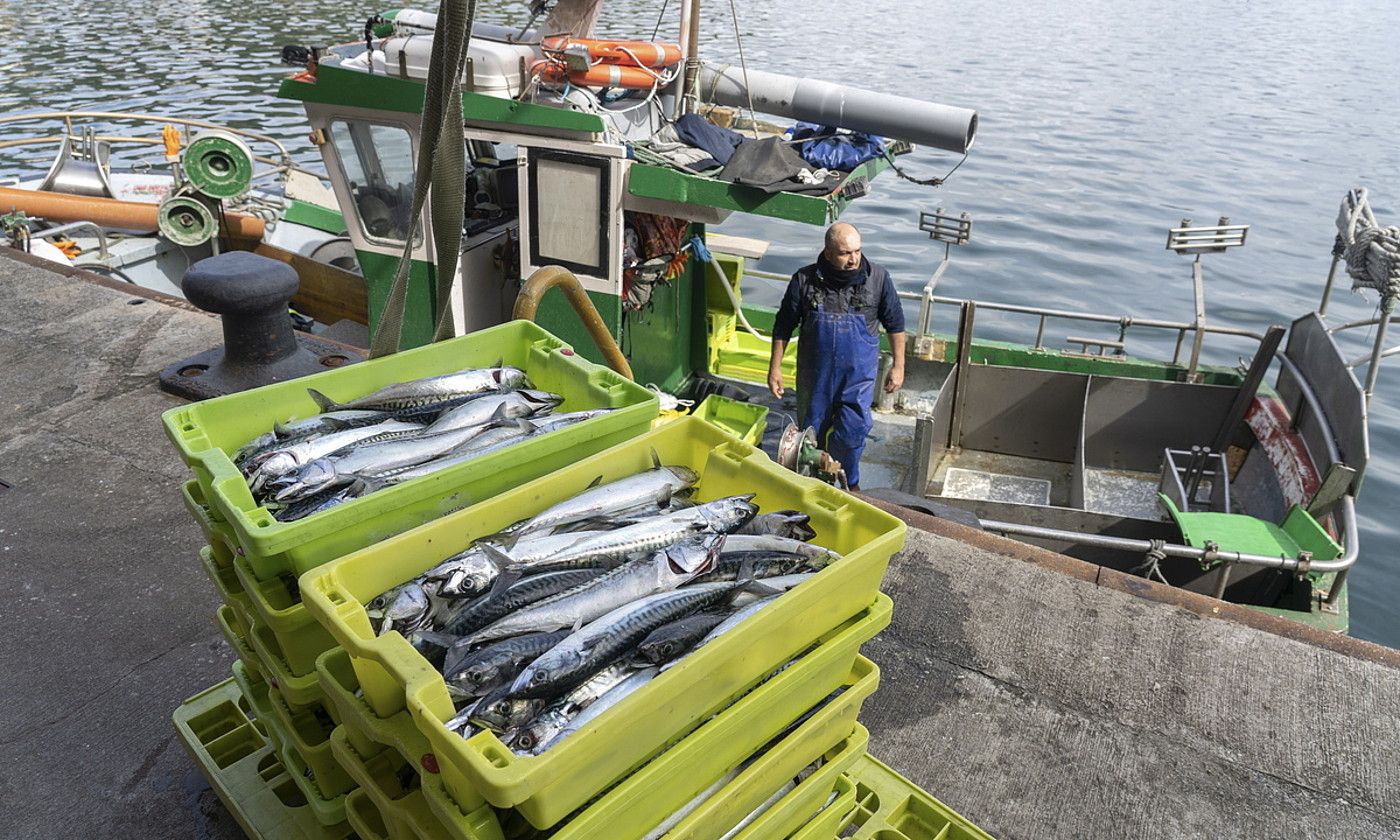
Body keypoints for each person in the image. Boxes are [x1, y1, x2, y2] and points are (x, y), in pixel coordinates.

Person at [767, 223, 905, 491]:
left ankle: (850, 486)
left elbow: (896, 324)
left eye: (857, 251)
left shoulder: (878, 279)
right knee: (811, 435)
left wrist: (898, 366)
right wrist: (775, 369)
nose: (853, 259)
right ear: (828, 252)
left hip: (857, 378)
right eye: (844, 253)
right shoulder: (803, 280)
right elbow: (783, 325)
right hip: (815, 378)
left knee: (852, 432)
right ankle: (814, 486)